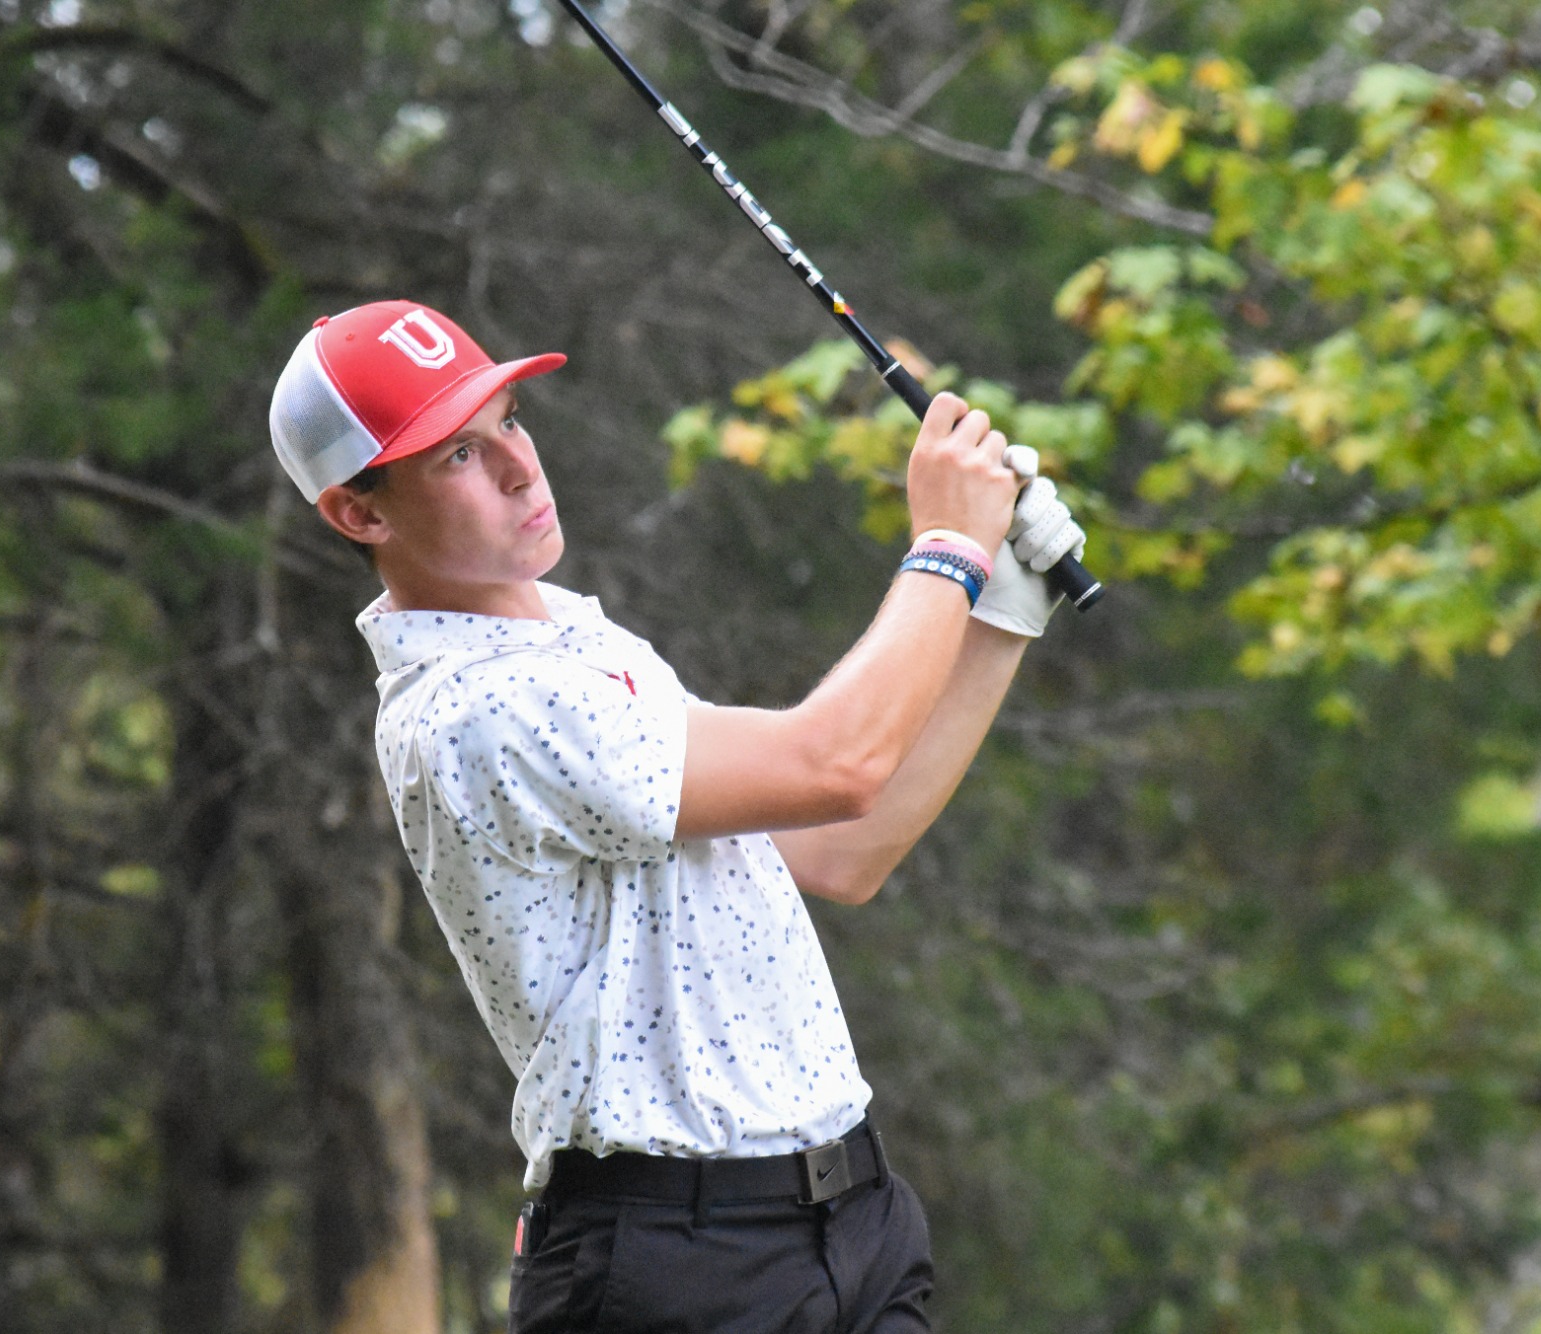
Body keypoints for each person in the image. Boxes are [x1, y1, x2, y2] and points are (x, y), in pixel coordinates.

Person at [269, 300, 1085, 1333]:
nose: (520, 466)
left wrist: (998, 610)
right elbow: (834, 761)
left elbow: (839, 848)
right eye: (458, 455)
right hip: (675, 1269)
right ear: (360, 513)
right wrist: (942, 547)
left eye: (510, 419)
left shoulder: (574, 641)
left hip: (851, 1221)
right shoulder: (475, 709)